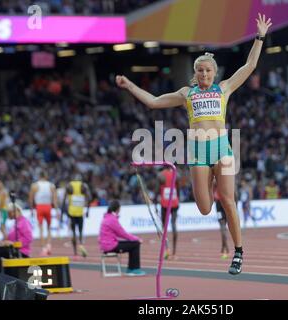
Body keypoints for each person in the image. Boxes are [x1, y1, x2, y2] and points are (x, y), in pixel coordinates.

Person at [116, 13, 272, 275]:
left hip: (221, 148)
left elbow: (249, 66)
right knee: (204, 208)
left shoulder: (224, 88)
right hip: (199, 153)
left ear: (215, 72)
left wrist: (259, 37)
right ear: (195, 73)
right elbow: (153, 102)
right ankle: (211, 183)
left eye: (208, 71)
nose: (204, 74)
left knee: (228, 200)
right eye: (200, 71)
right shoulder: (186, 94)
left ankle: (238, 252)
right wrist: (130, 85)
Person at [98, 200, 145, 276]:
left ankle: (131, 268)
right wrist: (137, 238)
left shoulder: (107, 217)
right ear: (118, 209)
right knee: (136, 244)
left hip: (106, 245)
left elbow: (118, 234)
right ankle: (134, 268)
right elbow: (123, 234)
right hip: (110, 246)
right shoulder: (112, 219)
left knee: (132, 244)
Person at [29, 171, 59, 256]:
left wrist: (31, 209)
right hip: (48, 206)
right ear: (46, 176)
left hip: (39, 207)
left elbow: (31, 198)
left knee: (41, 228)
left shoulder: (34, 185)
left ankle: (43, 248)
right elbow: (54, 199)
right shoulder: (51, 185)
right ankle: (49, 245)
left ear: (39, 176)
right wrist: (56, 210)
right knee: (49, 228)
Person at [62, 175, 90, 258]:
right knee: (80, 231)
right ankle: (81, 244)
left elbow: (64, 200)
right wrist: (88, 210)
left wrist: (63, 212)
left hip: (71, 212)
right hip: (80, 212)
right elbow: (89, 198)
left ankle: (75, 252)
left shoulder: (69, 185)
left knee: (73, 232)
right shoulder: (83, 186)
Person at [157, 167, 180, 259]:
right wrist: (178, 200)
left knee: (164, 227)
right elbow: (178, 188)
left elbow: (157, 189)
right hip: (174, 201)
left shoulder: (160, 175)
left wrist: (155, 200)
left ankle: (167, 250)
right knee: (174, 225)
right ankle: (174, 252)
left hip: (164, 202)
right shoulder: (176, 174)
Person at [214, 184, 229, 259]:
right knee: (224, 227)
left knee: (222, 227)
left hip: (219, 204)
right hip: (225, 202)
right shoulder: (224, 177)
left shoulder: (214, 180)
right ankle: (224, 247)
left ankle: (225, 248)